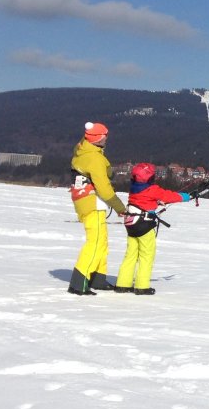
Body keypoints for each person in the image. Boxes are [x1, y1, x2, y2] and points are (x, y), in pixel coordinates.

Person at [114, 162, 196, 295]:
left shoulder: (134, 188)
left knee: (131, 255)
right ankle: (142, 286)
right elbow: (170, 196)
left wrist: (155, 202)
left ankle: (123, 284)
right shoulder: (153, 190)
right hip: (144, 226)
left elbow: (144, 199)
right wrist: (188, 197)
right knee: (146, 256)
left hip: (131, 225)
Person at [69, 121, 128, 295]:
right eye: (104, 136)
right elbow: (103, 187)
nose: (107, 138)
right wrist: (119, 206)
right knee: (94, 243)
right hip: (91, 203)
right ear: (98, 139)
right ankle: (78, 283)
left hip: (89, 202)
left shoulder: (85, 150)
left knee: (102, 242)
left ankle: (97, 279)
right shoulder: (94, 158)